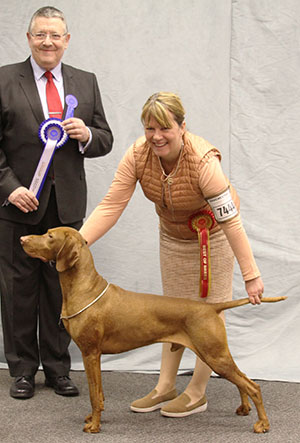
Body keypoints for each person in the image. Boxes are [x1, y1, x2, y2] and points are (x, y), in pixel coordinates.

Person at [79, 92, 263, 417]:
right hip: (174, 236)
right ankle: (165, 386)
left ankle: (197, 392)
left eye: (164, 128)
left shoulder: (204, 162)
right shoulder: (138, 154)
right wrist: (78, 244)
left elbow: (231, 221)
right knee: (171, 312)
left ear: (181, 127)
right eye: (150, 128)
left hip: (215, 235)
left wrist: (251, 276)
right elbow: (111, 205)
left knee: (206, 313)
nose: (156, 136)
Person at [0, 6, 113, 399]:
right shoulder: (3, 80)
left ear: (66, 40)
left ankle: (58, 369)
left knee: (61, 290)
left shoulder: (86, 82)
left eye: (55, 35)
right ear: (29, 38)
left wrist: (85, 134)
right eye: (40, 34)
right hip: (17, 204)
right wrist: (9, 186)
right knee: (18, 290)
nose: (48, 41)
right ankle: (22, 371)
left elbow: (105, 138)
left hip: (65, 209)